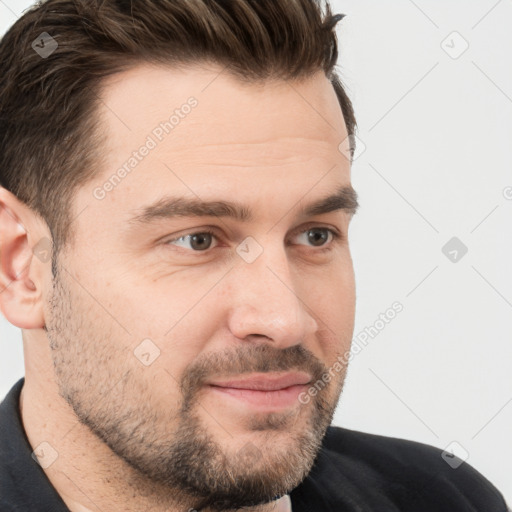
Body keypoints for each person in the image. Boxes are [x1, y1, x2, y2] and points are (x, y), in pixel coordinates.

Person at [0, 1, 508, 511]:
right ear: (20, 266)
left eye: (314, 235)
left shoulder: (446, 499)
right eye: (198, 240)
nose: (285, 320)